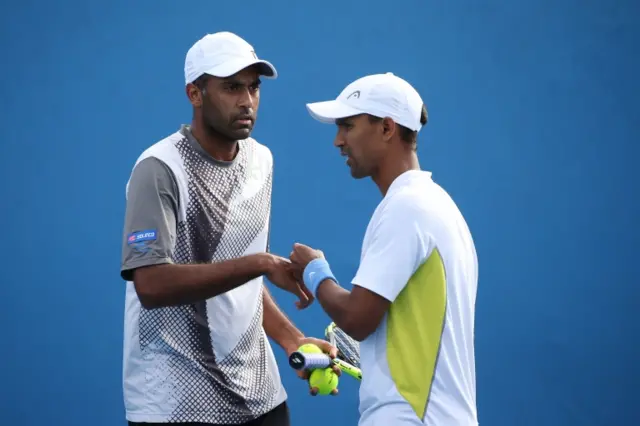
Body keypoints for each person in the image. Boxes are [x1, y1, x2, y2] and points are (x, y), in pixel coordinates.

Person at [119, 31, 337, 426]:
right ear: (195, 94)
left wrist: (291, 338)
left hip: (260, 398)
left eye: (253, 88)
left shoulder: (262, 161)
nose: (247, 101)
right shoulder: (158, 169)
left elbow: (241, 283)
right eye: (231, 87)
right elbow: (150, 285)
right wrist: (259, 264)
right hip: (176, 404)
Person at [288, 72, 479, 425]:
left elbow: (357, 319)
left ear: (387, 128)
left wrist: (314, 271)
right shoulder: (437, 206)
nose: (337, 141)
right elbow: (407, 331)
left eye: (347, 126)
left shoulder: (407, 208)